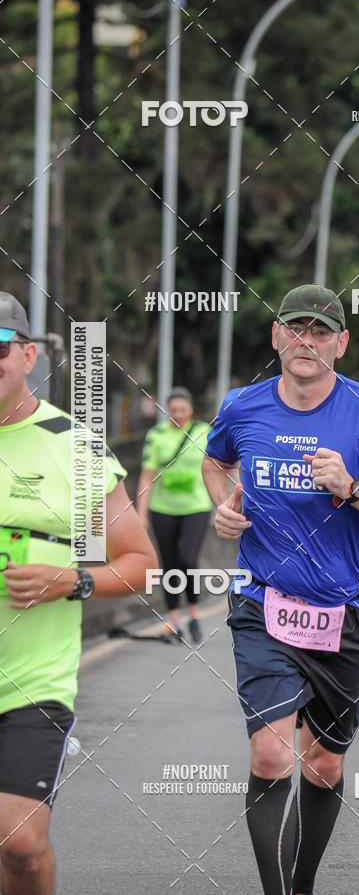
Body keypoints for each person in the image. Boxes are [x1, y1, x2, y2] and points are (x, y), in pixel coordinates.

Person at [202, 283, 359, 895]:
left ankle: (301, 884)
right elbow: (215, 461)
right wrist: (224, 503)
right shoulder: (243, 406)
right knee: (273, 753)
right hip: (263, 600)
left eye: (321, 332)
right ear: (277, 336)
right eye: (296, 329)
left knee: (323, 763)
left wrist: (352, 488)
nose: (307, 341)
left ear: (342, 344)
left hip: (346, 610)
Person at [0, 292, 157, 895]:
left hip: (31, 681)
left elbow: (140, 564)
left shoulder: (74, 446)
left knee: (20, 844)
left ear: (28, 355)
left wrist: (73, 580)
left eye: (0, 347)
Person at [137, 387, 212, 643]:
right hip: (162, 508)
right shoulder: (156, 435)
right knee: (169, 564)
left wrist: (223, 503)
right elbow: (146, 476)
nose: (178, 414)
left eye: (183, 409)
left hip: (196, 507)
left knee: (188, 560)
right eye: (174, 409)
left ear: (191, 410)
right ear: (167, 410)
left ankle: (194, 614)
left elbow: (218, 468)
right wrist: (141, 513)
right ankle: (175, 622)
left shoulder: (204, 432)